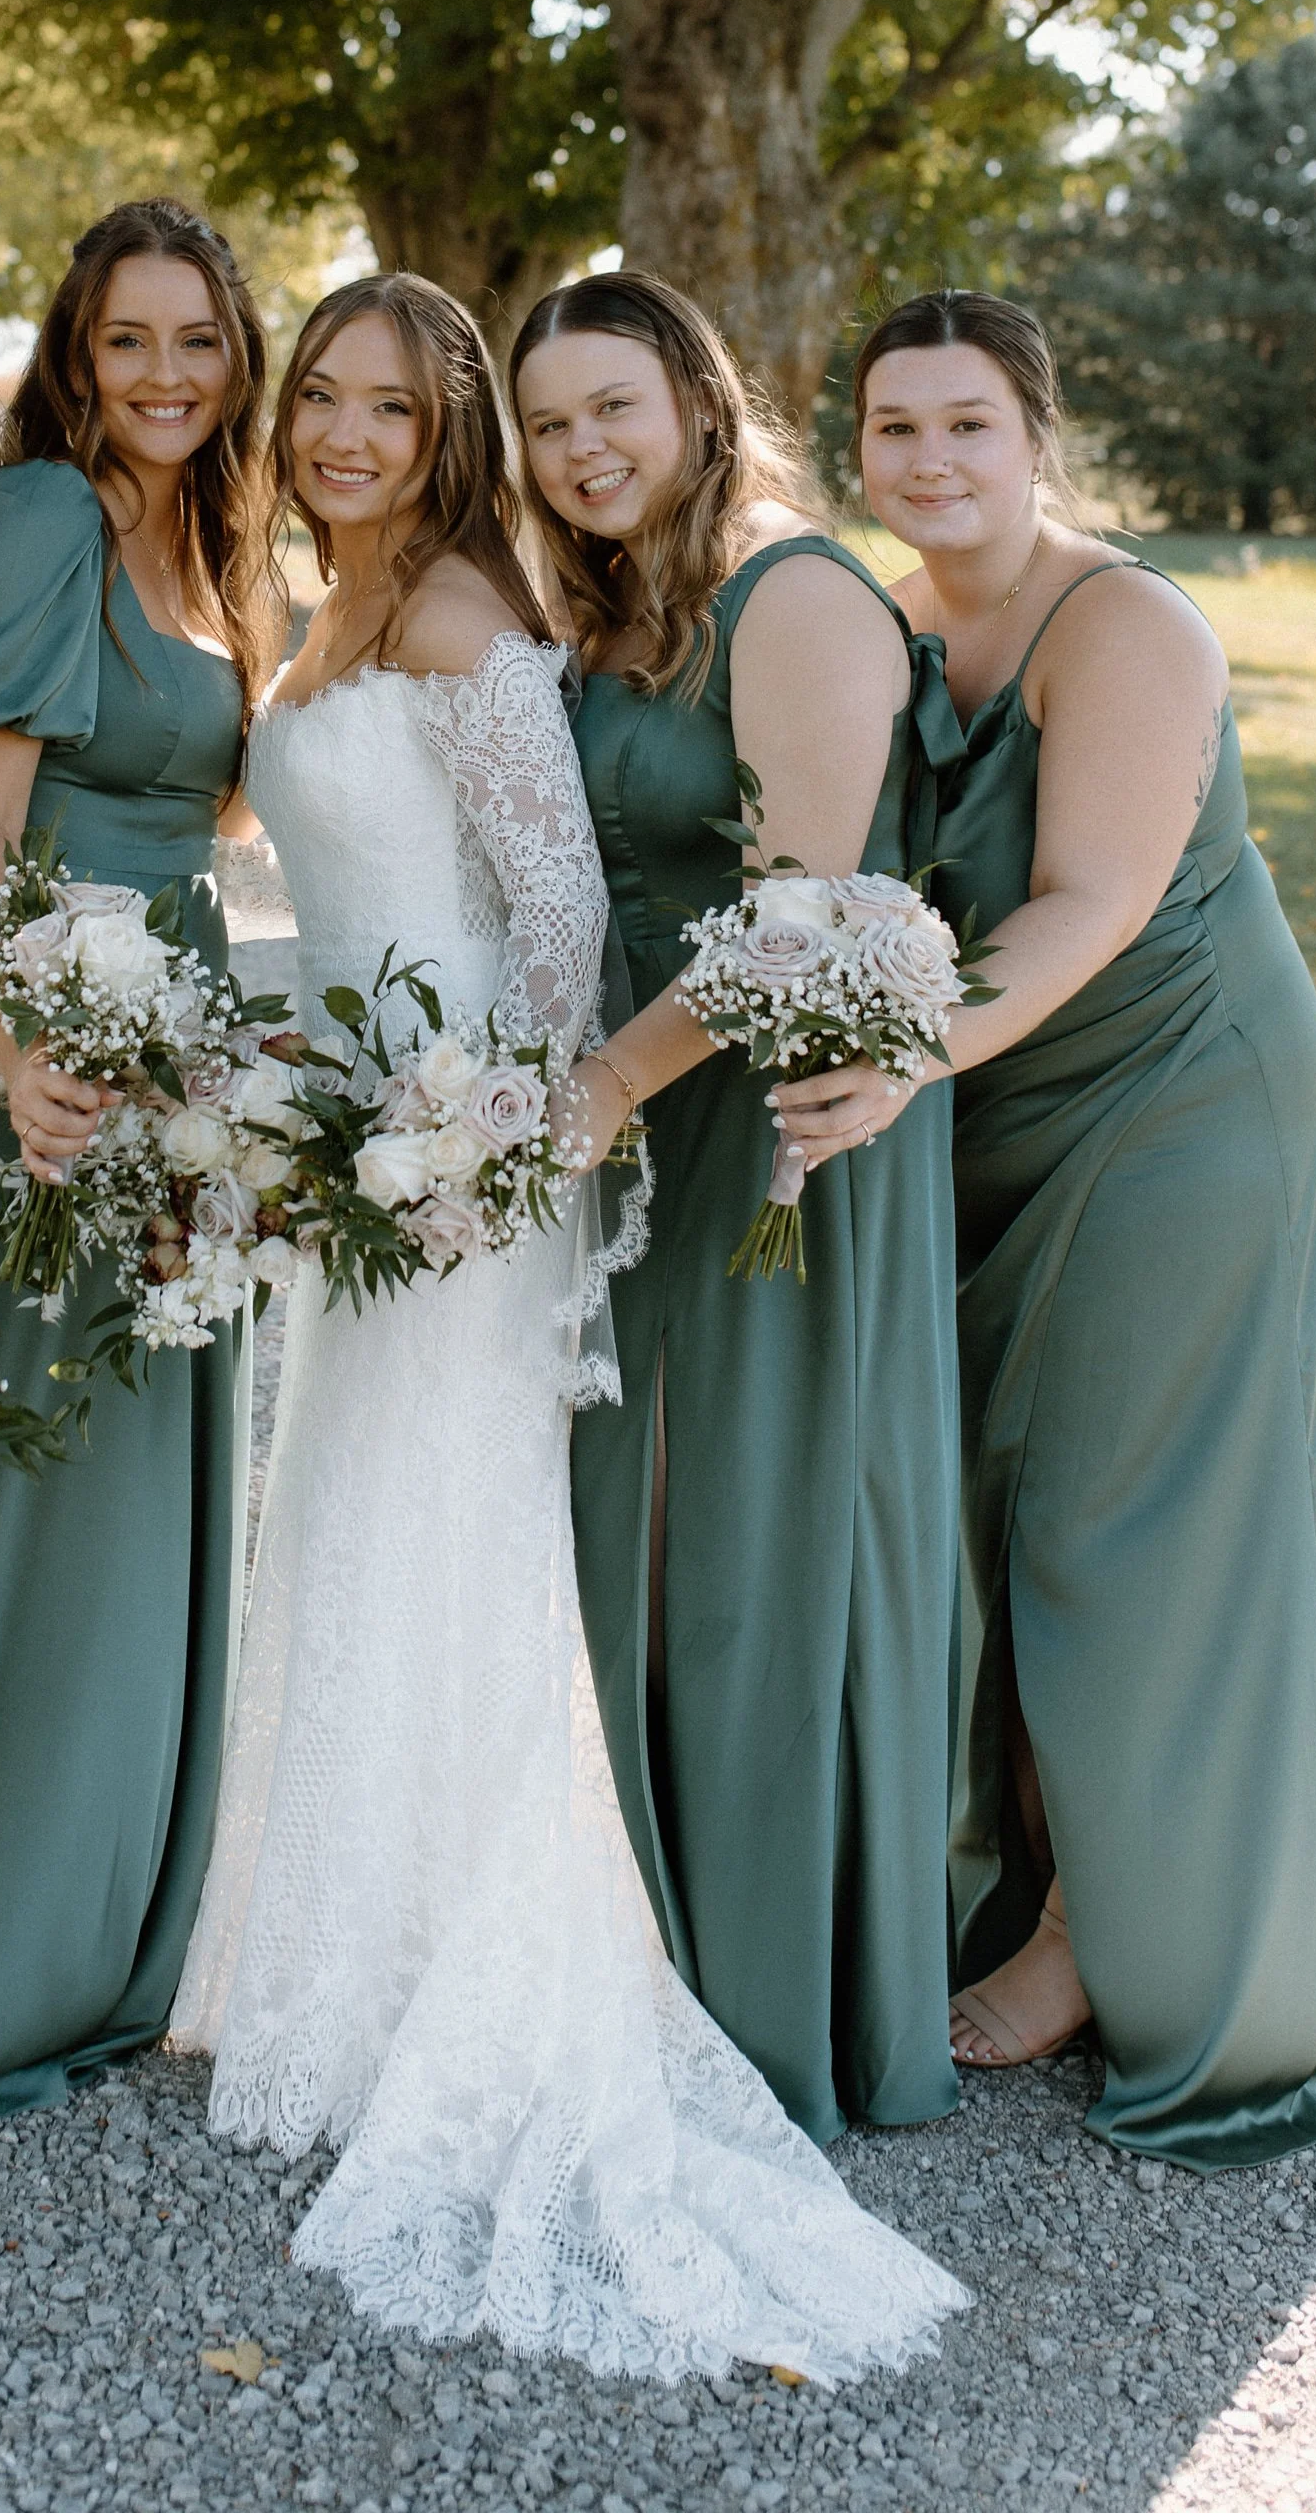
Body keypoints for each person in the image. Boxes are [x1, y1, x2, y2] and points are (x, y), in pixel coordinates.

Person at [171, 271, 964, 2380]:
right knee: (351, 1509)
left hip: (468, 1160)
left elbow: (561, 915)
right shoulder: (330, 605)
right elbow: (364, 908)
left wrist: (499, 1140)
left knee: (456, 1529)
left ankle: (477, 1958)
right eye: (320, 397)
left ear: (452, 444)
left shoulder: (453, 611)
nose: (348, 434)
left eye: (396, 409)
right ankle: (319, 1943)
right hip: (371, 1134)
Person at [774, 286, 1316, 2167]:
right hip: (987, 1096)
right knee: (999, 1502)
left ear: (1038, 437)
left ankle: (1106, 1933)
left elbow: (1085, 905)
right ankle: (1034, 1872)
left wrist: (895, 1054)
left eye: (967, 427)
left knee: (1114, 1511)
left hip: (1179, 1099)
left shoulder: (1132, 626)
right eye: (895, 429)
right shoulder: (891, 614)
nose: (928, 462)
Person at [0, 197, 278, 2120]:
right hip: (55, 1049)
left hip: (171, 1029)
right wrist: (26, 1068)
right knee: (46, 1488)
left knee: (137, 1480)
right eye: (127, 342)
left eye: (197, 340)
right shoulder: (35, 520)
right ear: (73, 357)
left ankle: (116, 1923)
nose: (164, 375)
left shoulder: (204, 539)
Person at [509, 270, 961, 2143]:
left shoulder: (798, 594)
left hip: (774, 1126)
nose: (581, 449)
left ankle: (776, 1988)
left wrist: (601, 1089)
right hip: (641, 1124)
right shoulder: (622, 608)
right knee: (647, 1520)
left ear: (698, 396)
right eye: (545, 427)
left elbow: (798, 905)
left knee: (757, 1533)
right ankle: (639, 1945)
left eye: (613, 405)